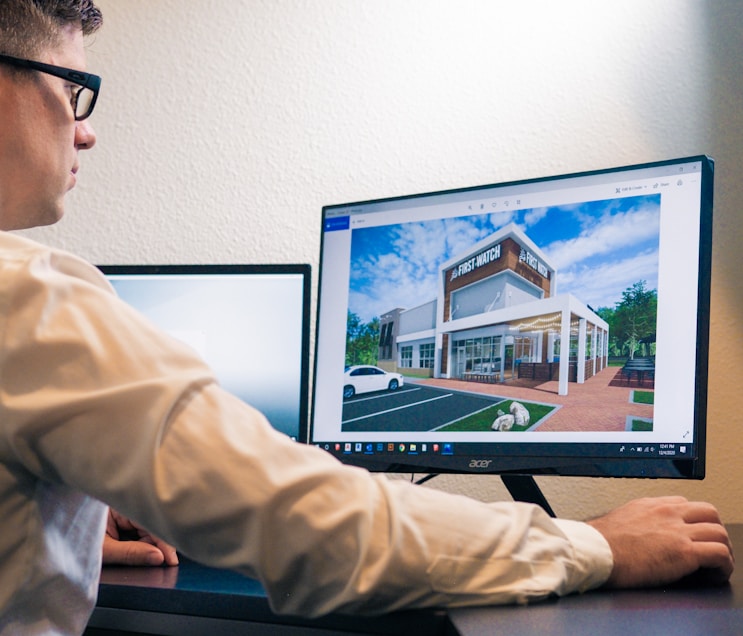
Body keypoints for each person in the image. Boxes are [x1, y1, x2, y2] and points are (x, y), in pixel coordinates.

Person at [0, 1, 734, 634]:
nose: (85, 130)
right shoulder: (30, 296)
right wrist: (594, 545)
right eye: (75, 88)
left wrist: (65, 518)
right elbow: (310, 526)